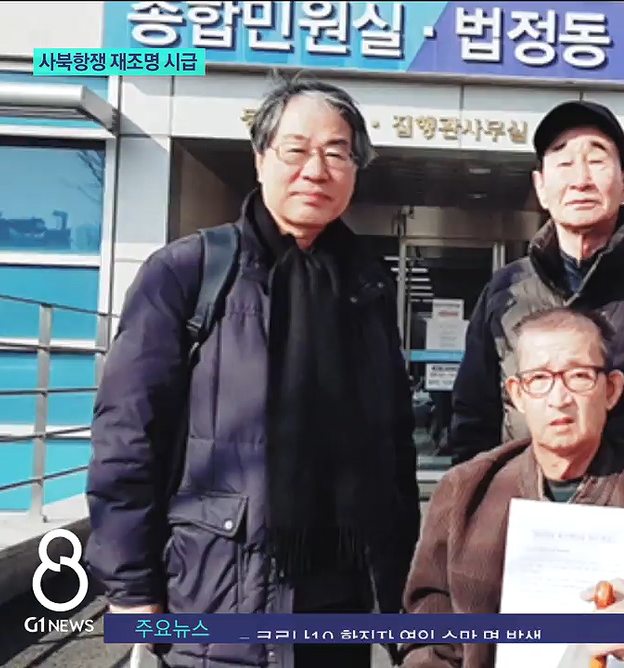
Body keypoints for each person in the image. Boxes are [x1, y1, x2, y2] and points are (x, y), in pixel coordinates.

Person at [85, 76, 420, 668]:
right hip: (216, 594)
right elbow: (127, 435)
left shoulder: (365, 286)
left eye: (336, 152)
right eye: (296, 149)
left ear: (354, 171)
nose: (315, 169)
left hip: (341, 600)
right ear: (261, 158)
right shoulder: (189, 271)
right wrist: (131, 586)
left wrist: (400, 591)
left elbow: (393, 449)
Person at [400, 307, 624, 668]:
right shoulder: (466, 491)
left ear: (611, 389)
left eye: (579, 376)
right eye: (539, 378)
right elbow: (427, 627)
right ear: (517, 394)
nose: (559, 398)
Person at [443, 100, 624, 476]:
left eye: (596, 160)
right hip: (527, 506)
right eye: (564, 163)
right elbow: (473, 421)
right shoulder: (505, 292)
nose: (580, 179)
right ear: (540, 186)